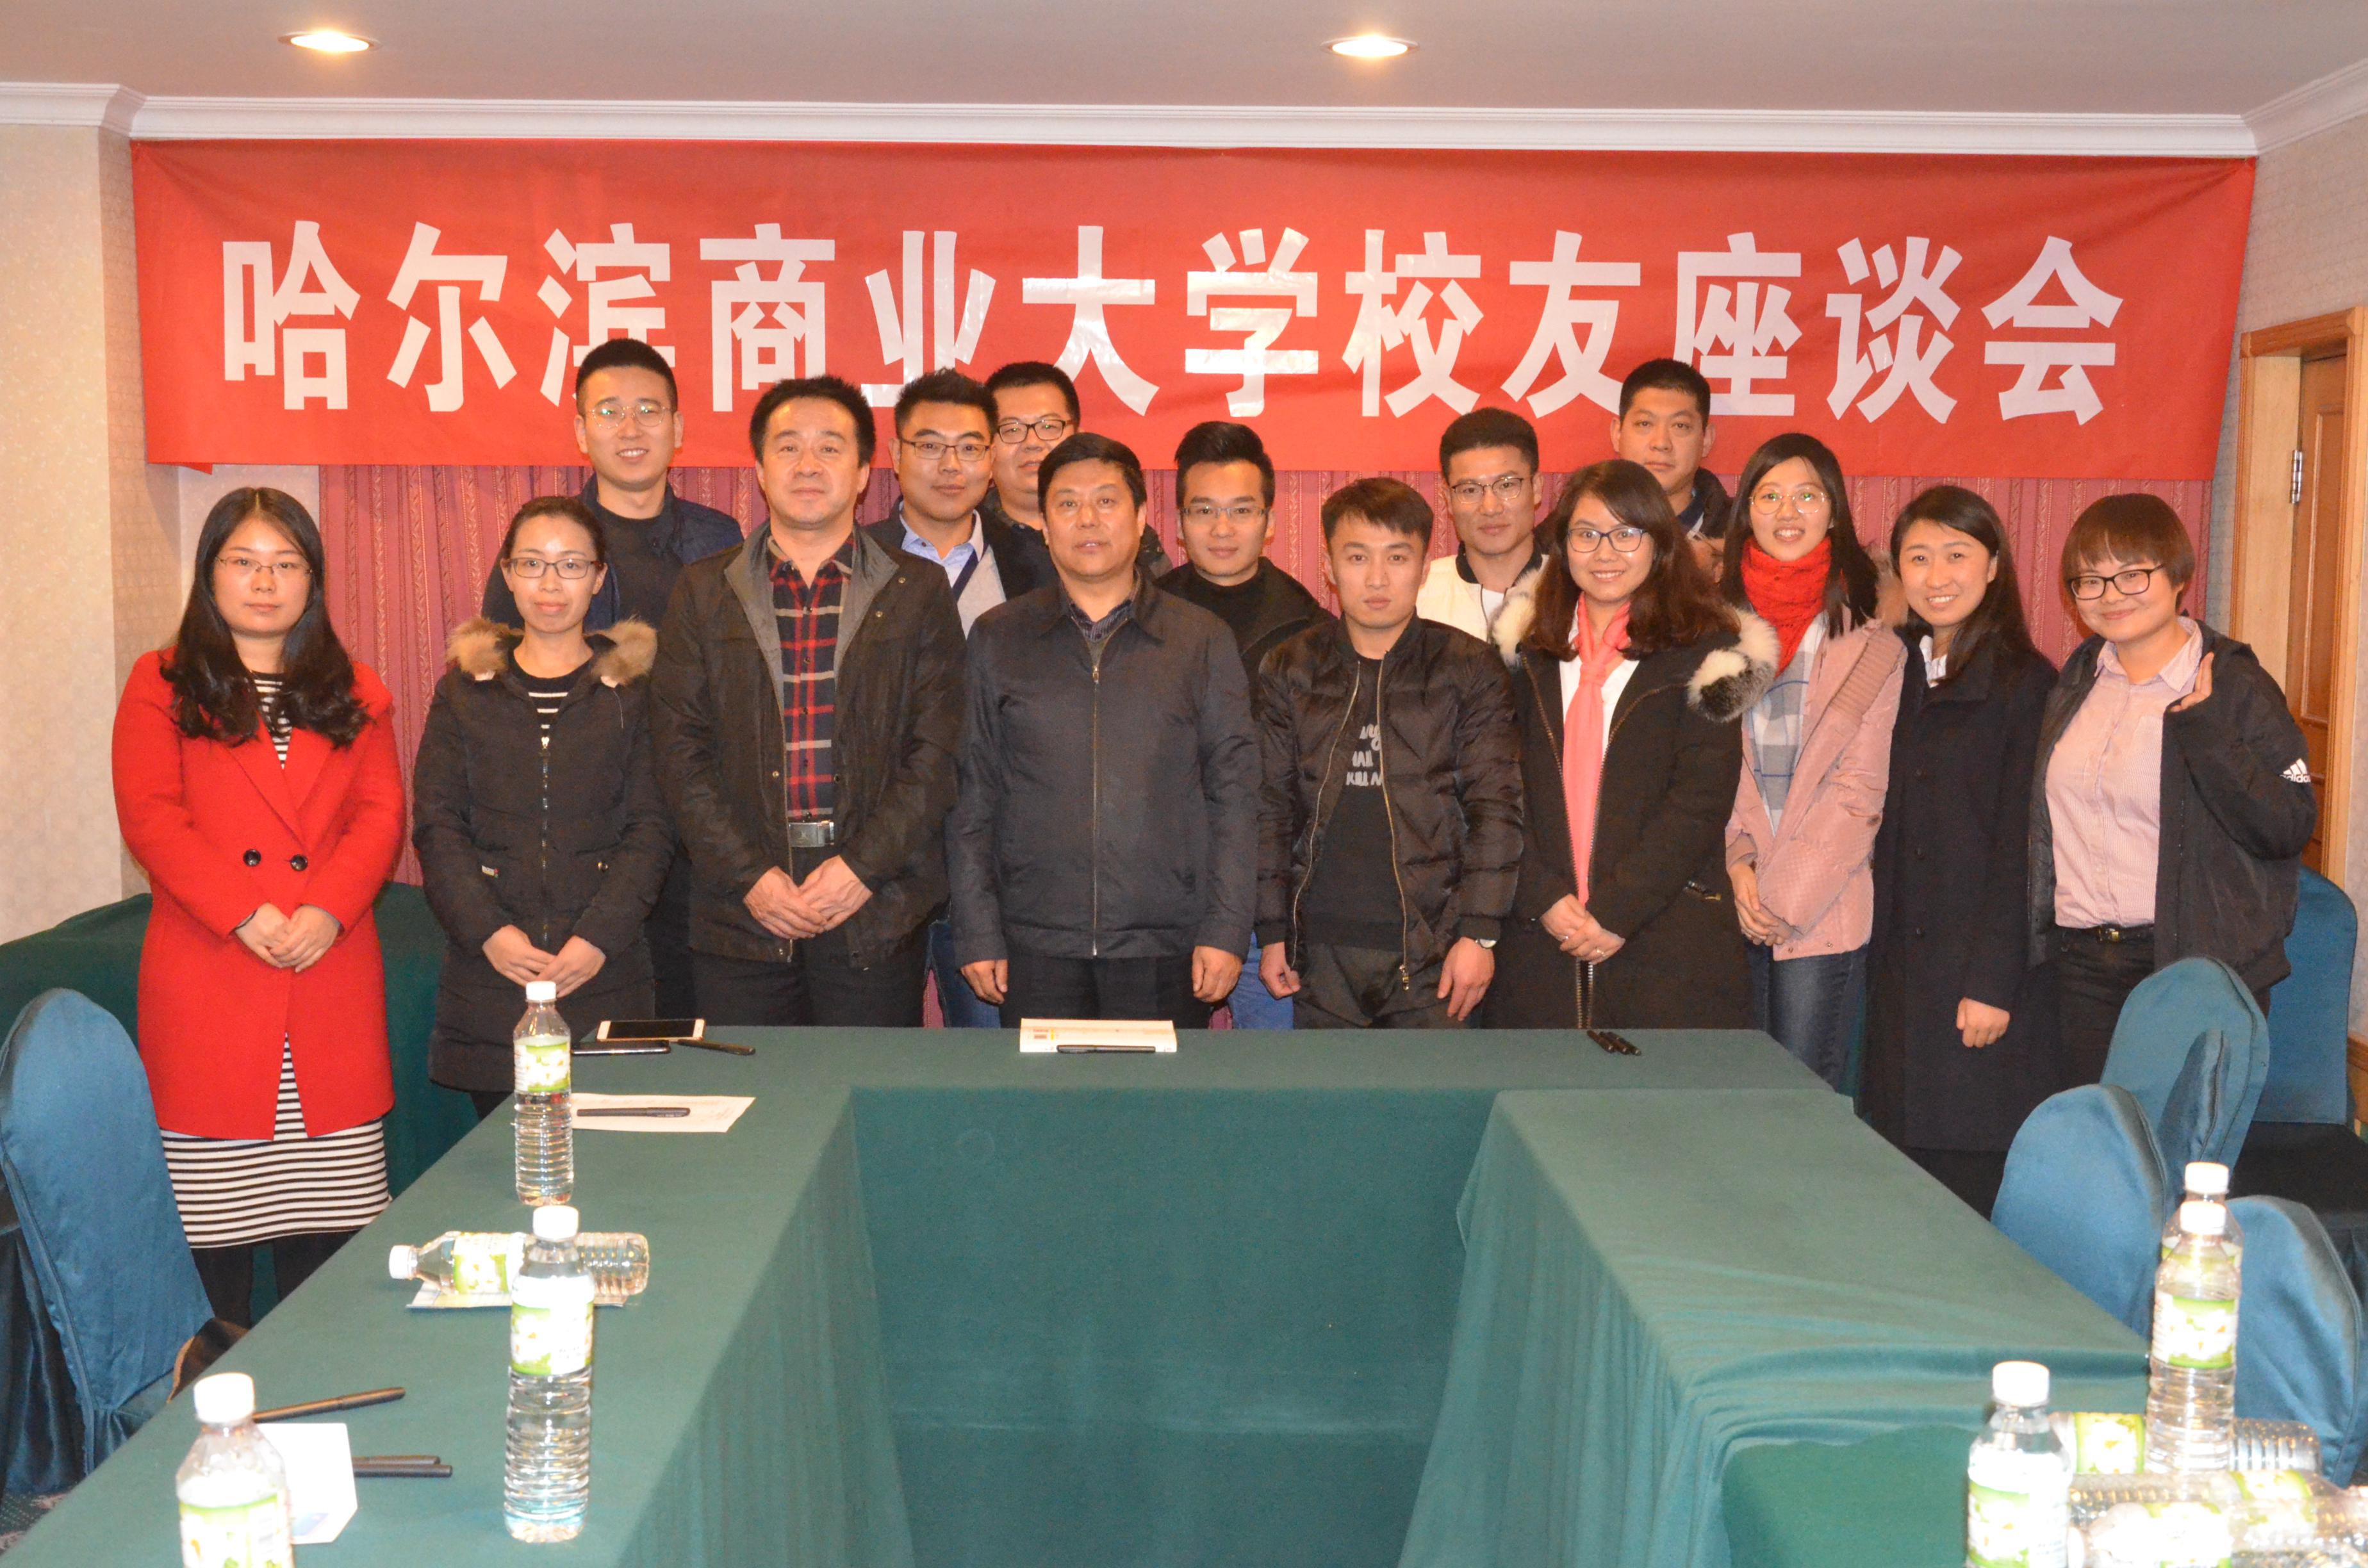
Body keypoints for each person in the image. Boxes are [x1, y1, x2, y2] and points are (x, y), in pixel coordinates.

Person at [111, 487, 405, 1326]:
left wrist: (328, 911)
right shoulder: (163, 682)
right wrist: (244, 913)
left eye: (287, 564)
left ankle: (336, 1393)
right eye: (244, 562)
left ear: (314, 580)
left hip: (326, 969)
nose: (266, 581)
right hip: (213, 970)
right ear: (211, 574)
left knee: (333, 1250)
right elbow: (151, 816)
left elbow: (381, 813)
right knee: (215, 1251)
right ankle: (214, 1400)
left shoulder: (356, 689)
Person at [652, 375, 967, 1026]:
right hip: (742, 909)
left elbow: (937, 753)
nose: (808, 465)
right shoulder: (703, 591)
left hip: (873, 903)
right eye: (788, 447)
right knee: (753, 1087)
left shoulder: (917, 590)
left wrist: (860, 869)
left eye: (830, 447)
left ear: (864, 473)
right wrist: (751, 877)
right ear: (760, 471)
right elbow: (679, 753)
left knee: (863, 1084)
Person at [951, 433, 1258, 1027]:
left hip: (1166, 946)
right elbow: (972, 796)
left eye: (1106, 501)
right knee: (1040, 1093)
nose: (1087, 519)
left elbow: (1236, 795)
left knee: (1157, 1093)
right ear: (1045, 526)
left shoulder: (1200, 640)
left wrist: (1225, 929)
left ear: (1141, 518)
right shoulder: (998, 638)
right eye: (1067, 504)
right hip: (1034, 944)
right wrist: (978, 929)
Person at [479, 336, 743, 1022]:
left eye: (649, 410)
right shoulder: (546, 544)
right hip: (585, 838)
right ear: (580, 430)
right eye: (609, 411)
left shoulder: (722, 541)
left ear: (678, 429)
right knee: (594, 1031)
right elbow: (498, 705)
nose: (631, 428)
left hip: (698, 832)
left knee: (688, 1026)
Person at [2030, 494, 2315, 1084]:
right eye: (2090, 580)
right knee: (2098, 1131)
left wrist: (2206, 730)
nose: (2111, 595)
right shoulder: (2078, 679)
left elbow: (2287, 825)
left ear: (2179, 575)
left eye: (2132, 574)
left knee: (2178, 1134)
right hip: (2082, 963)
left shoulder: (2234, 684)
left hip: (2192, 963)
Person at [1485, 460, 1773, 1029]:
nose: (1605, 552)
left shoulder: (1707, 653)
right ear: (1563, 545)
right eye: (1586, 534)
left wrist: (1617, 911)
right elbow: (1495, 792)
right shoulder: (1525, 655)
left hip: (1664, 940)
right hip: (1540, 941)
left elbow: (1700, 802)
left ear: (1659, 544)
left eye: (1627, 533)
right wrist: (1541, 896)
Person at [415, 497, 672, 1121]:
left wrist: (597, 939)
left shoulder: (636, 691)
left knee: (615, 1161)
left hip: (605, 975)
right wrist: (490, 933)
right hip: (494, 979)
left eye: (571, 565)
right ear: (507, 573)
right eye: (532, 563)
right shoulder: (464, 691)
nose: (551, 584)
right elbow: (438, 826)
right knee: (512, 1161)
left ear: (599, 577)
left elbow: (653, 828)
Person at [1254, 478, 1518, 1027]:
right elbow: (1270, 808)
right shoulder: (1290, 667)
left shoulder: (1468, 668)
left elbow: (1496, 806)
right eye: (1357, 557)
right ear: (1330, 566)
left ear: (1423, 568)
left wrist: (1479, 932)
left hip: (1436, 951)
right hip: (1320, 953)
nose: (1377, 578)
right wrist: (1273, 930)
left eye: (1397, 557)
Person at [1864, 486, 2060, 1216]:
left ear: (1994, 565)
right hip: (1902, 973)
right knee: (1900, 1180)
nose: (1937, 576)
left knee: (1967, 1183)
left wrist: (1993, 983)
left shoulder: (2025, 682)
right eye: (1918, 558)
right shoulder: (1901, 671)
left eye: (1956, 555)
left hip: (1978, 980)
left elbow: (2024, 847)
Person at [861, 369, 1055, 1027]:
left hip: (997, 871)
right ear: (894, 455)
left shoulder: (1040, 565)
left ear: (993, 456)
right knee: (874, 1054)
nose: (951, 466)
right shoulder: (853, 561)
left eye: (970, 447)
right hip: (879, 868)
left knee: (996, 1060)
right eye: (930, 446)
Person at [1722, 433, 1905, 1091]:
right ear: (1746, 512)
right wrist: (1738, 863)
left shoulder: (1873, 641)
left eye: (1807, 495)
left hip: (1822, 903)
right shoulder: (1715, 629)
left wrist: (1781, 899)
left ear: (1834, 512)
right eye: (1769, 496)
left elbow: (1859, 791)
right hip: (1731, 895)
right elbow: (1714, 768)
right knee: (1732, 1099)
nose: (1787, 512)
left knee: (1799, 1103)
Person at [1157, 420, 1328, 1029]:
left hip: (1268, 915)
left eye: (1242, 510)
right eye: (1204, 511)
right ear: (1179, 523)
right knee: (1156, 1076)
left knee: (1273, 1077)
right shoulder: (1142, 618)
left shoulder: (1312, 630)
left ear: (1270, 521)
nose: (1223, 529)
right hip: (1164, 903)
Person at [982, 360, 1169, 581]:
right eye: (1012, 429)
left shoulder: (1126, 534)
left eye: (1049, 426)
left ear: (1078, 437)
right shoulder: (970, 535)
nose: (1032, 443)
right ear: (988, 447)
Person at [1417, 407, 1549, 642]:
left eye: (1506, 485)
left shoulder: (1573, 591)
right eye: (1470, 490)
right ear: (1448, 499)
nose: (1490, 507)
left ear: (1537, 488)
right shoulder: (1416, 596)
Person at [1611, 358, 1727, 578]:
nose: (1661, 443)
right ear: (1617, 434)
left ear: (1706, 440)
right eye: (1645, 424)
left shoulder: (1743, 539)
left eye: (1680, 426)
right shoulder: (1574, 528)